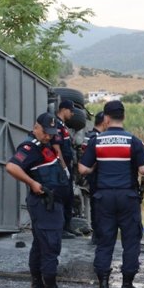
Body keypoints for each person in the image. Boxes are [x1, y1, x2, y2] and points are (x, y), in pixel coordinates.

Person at [78, 100, 144, 288]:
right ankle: (127, 287)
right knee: (130, 241)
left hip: (103, 198)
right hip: (127, 197)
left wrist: (95, 167)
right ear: (124, 117)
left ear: (107, 118)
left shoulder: (97, 141)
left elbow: (83, 169)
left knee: (104, 242)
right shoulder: (133, 141)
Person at [4, 113, 75, 288]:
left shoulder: (45, 145)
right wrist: (32, 183)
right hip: (45, 205)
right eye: (45, 132)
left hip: (50, 204)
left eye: (51, 133)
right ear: (36, 127)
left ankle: (37, 286)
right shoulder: (30, 147)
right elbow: (11, 167)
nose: (48, 136)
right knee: (51, 244)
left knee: (40, 244)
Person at [81, 111, 108, 244]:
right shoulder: (95, 138)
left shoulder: (89, 136)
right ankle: (98, 237)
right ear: (104, 122)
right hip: (96, 177)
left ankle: (98, 236)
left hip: (95, 178)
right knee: (98, 208)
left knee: (96, 207)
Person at [53, 99, 78, 238]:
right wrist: (63, 167)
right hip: (61, 167)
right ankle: (61, 229)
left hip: (68, 165)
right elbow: (57, 147)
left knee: (69, 198)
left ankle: (67, 227)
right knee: (62, 197)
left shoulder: (63, 125)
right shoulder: (56, 124)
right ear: (64, 109)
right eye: (71, 111)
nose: (73, 114)